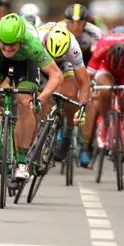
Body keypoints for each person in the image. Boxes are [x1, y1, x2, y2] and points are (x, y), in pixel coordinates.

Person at [0, 14, 63, 179]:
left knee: (26, 102)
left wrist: (41, 99)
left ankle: (22, 161)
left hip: (26, 62)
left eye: (12, 46)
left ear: (21, 41)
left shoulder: (32, 44)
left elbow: (56, 75)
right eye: (4, 45)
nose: (7, 50)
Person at [87, 29, 124, 176]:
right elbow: (88, 75)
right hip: (106, 69)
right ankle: (105, 124)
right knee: (105, 90)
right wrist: (90, 92)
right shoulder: (102, 45)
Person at [38, 24, 89, 164]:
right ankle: (45, 131)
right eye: (52, 55)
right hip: (40, 61)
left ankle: (68, 132)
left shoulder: (73, 46)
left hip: (65, 64)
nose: (54, 59)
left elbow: (84, 82)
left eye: (57, 56)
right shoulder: (36, 39)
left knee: (70, 93)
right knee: (43, 96)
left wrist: (82, 110)